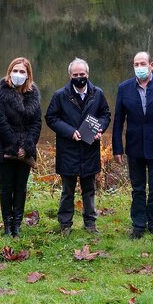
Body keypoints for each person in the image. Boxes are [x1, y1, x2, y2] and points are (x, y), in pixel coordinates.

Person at [112, 51, 153, 239]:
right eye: (136, 64)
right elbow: (118, 120)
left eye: (143, 63)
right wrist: (117, 147)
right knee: (138, 187)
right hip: (134, 146)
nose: (139, 67)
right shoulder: (124, 88)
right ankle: (139, 224)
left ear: (152, 65)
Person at [45, 58, 111, 235]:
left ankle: (90, 223)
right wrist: (69, 131)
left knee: (89, 190)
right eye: (75, 75)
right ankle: (65, 224)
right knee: (67, 190)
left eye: (82, 74)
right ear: (70, 75)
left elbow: (105, 114)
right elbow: (51, 118)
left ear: (87, 74)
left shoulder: (98, 93)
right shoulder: (60, 95)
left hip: (90, 149)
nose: (79, 77)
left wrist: (100, 128)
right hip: (68, 150)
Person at [0, 57, 42, 238]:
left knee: (21, 186)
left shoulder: (33, 95)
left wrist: (27, 146)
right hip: (4, 148)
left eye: (22, 71)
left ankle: (17, 225)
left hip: (26, 150)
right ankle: (7, 225)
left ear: (28, 75)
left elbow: (36, 123)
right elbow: (0, 123)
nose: (18, 74)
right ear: (9, 72)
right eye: (15, 70)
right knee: (6, 186)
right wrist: (14, 146)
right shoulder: (0, 95)